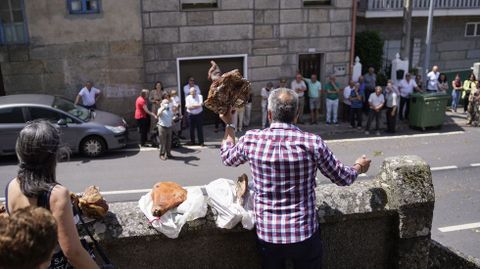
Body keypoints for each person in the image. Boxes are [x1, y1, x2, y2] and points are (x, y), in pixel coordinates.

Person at [218, 87, 371, 269]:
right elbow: (342, 178)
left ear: (269, 114)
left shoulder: (252, 139)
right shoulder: (312, 143)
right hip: (303, 233)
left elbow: (227, 157)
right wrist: (359, 166)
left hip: (268, 234)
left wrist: (229, 124)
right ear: (296, 115)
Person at [3, 120, 99, 269]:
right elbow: (73, 252)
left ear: (20, 151)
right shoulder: (57, 195)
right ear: (54, 155)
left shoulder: (11, 186)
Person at [157, 93, 174, 160]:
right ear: (162, 103)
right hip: (162, 127)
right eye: (165, 103)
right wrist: (163, 108)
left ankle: (168, 153)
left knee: (169, 142)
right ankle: (161, 154)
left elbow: (171, 116)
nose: (167, 104)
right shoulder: (160, 109)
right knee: (162, 142)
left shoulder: (170, 109)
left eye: (167, 103)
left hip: (169, 126)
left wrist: (173, 120)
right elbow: (158, 115)